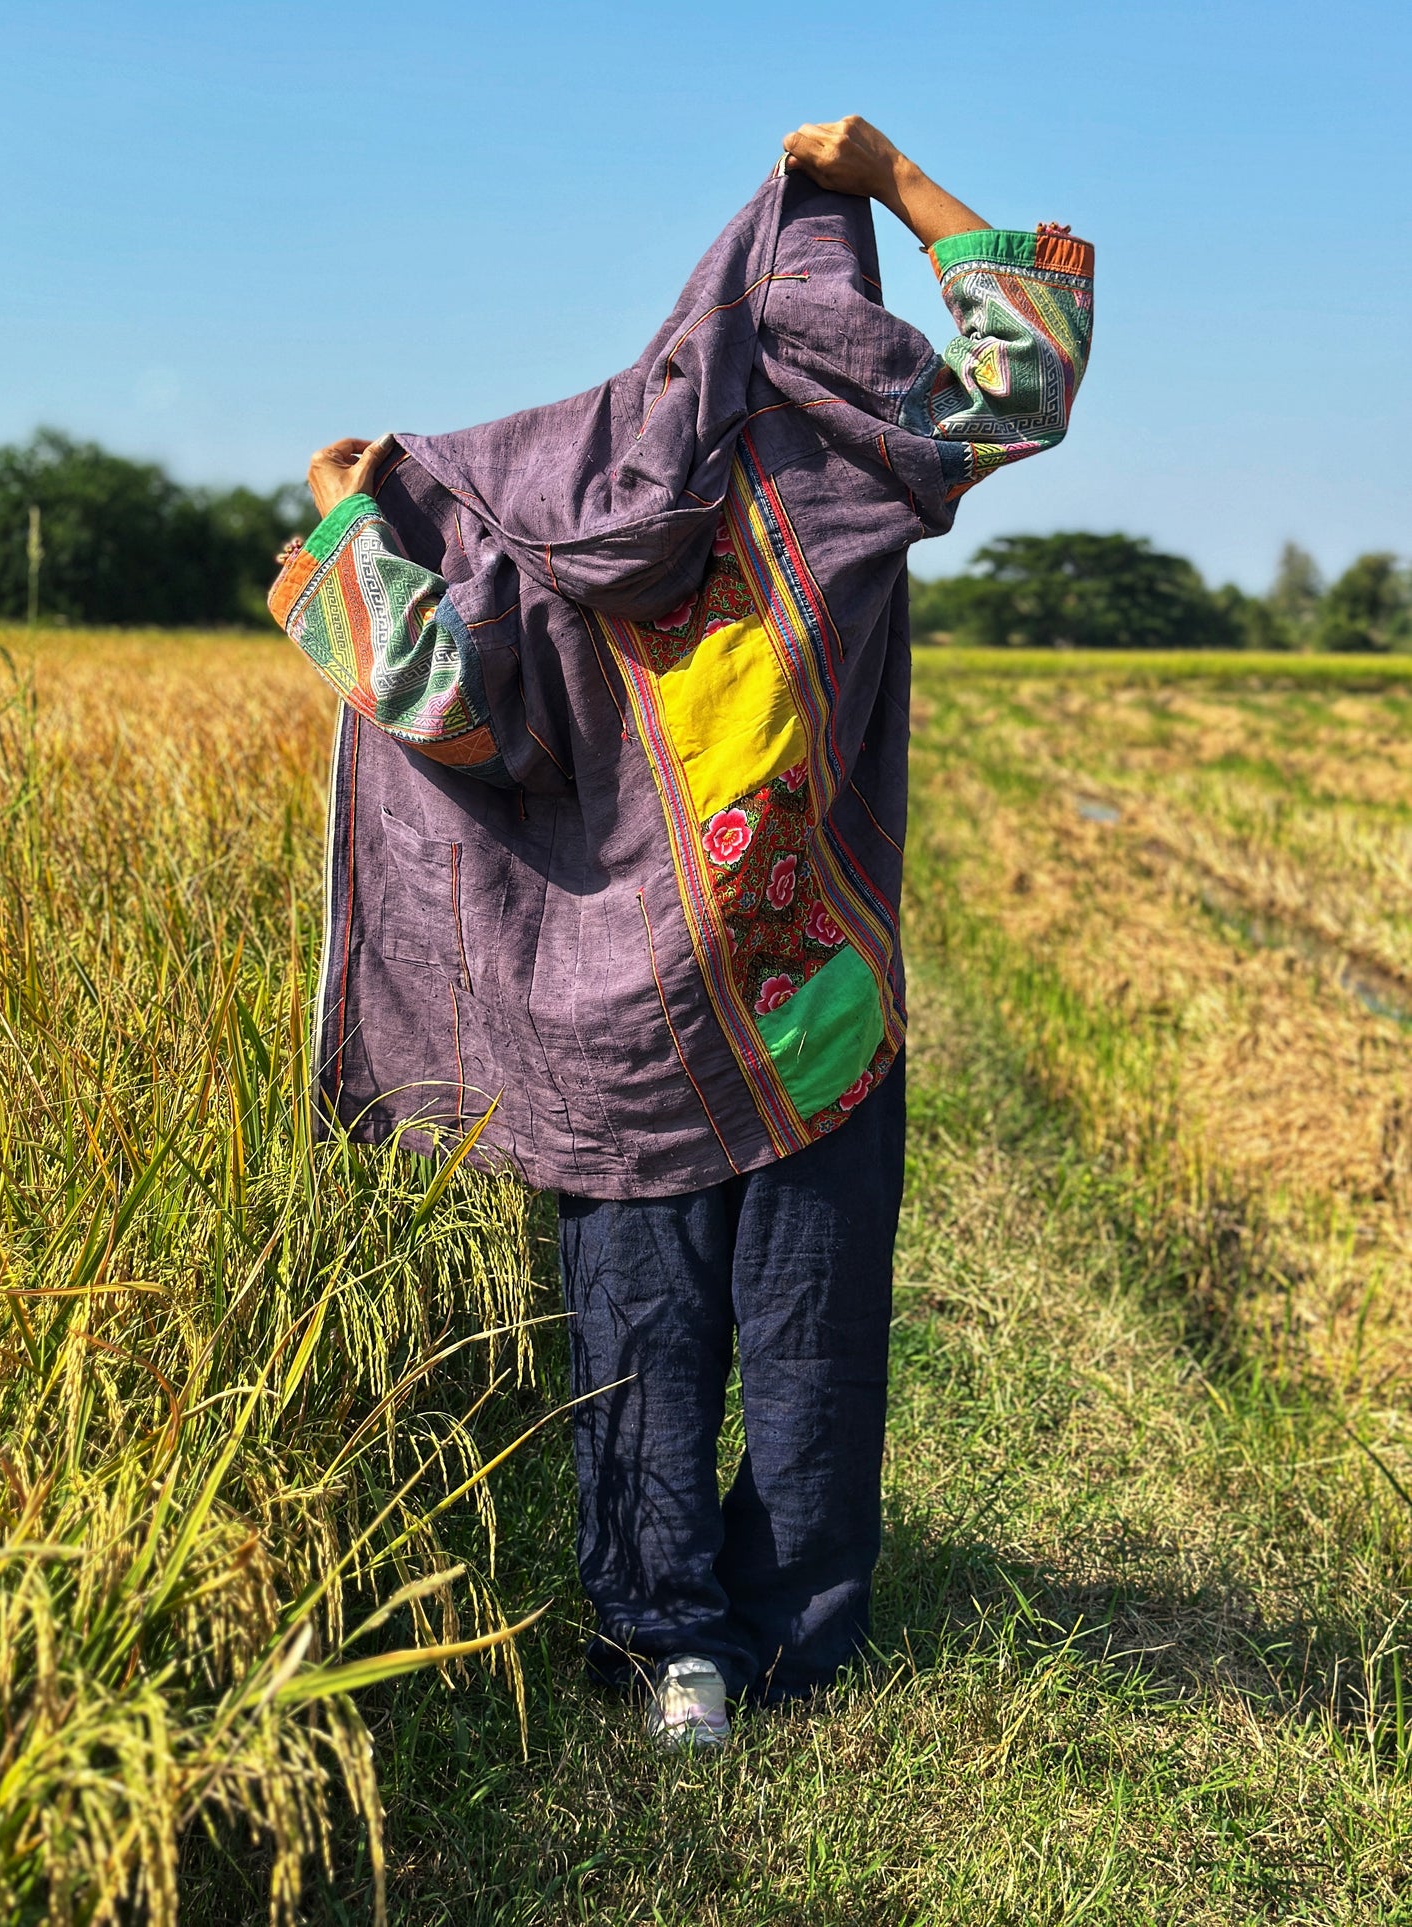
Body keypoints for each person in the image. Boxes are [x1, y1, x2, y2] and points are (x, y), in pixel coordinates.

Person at [270, 117, 1093, 1747]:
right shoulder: (844, 475)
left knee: (637, 1334)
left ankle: (667, 1652)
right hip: (810, 992)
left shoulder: (533, 490)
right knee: (812, 1329)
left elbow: (436, 698)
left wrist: (344, 521)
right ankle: (786, 1634)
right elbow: (1029, 380)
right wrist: (893, 181)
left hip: (604, 1022)